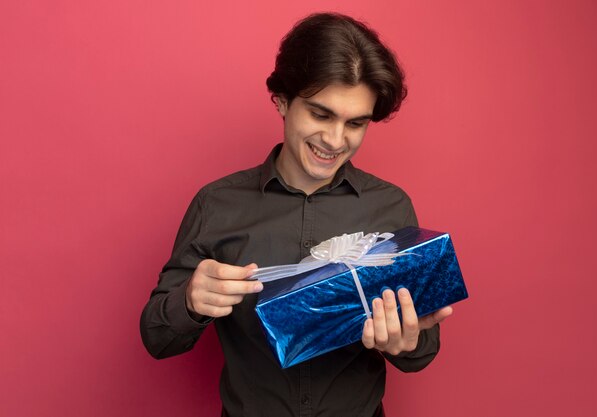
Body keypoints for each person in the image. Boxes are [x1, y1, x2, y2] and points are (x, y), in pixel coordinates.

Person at [140, 12, 453, 417]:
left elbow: (422, 352)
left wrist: (406, 342)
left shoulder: (390, 206)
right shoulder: (216, 204)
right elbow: (157, 339)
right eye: (321, 115)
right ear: (282, 101)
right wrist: (190, 301)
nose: (335, 140)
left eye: (355, 123)